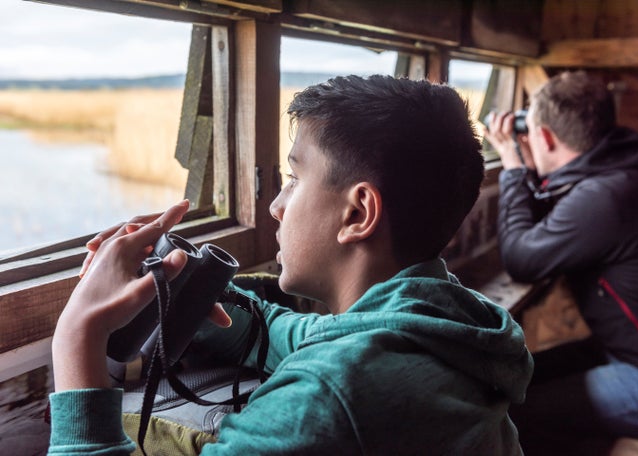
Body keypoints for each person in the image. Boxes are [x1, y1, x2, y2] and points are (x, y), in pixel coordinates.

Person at [47, 75, 533, 455]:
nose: (276, 206)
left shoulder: (329, 396)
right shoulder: (446, 317)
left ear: (357, 213)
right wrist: (193, 301)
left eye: (294, 178)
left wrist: (76, 340)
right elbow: (302, 335)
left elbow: (331, 367)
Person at [485, 70, 638, 454]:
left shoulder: (608, 195)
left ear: (543, 136)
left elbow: (522, 260)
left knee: (515, 418)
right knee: (515, 379)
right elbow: (560, 209)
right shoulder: (629, 172)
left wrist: (511, 166)